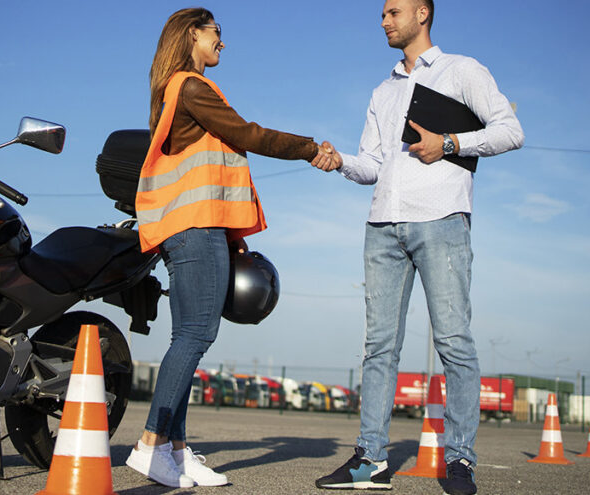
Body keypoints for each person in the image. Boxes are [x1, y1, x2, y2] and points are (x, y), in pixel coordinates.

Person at [313, 1, 524, 494]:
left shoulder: (462, 71)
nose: (384, 20)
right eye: (382, 14)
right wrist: (336, 159)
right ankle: (370, 460)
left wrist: (449, 143)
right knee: (379, 347)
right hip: (383, 224)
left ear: (423, 14)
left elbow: (510, 131)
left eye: (393, 11)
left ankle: (460, 460)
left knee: (454, 342)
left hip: (441, 220)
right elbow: (372, 164)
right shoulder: (382, 90)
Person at [126, 7, 337, 489]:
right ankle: (152, 443)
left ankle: (176, 453)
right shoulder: (193, 87)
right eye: (216, 33)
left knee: (187, 336)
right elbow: (249, 135)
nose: (222, 42)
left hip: (188, 231)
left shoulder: (174, 91)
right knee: (197, 335)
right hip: (196, 230)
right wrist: (309, 148)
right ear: (192, 35)